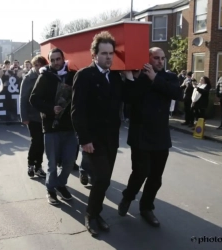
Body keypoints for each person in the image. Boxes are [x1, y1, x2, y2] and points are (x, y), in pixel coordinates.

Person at [71, 31, 134, 236]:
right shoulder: (84, 75)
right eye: (104, 53)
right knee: (102, 179)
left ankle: (96, 213)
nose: (108, 57)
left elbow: (130, 100)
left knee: (102, 180)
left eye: (111, 53)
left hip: (111, 139)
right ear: (94, 54)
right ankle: (90, 215)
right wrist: (85, 139)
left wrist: (130, 79)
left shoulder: (116, 77)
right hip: (93, 139)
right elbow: (77, 111)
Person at [118, 47, 181, 227]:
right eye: (156, 58)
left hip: (161, 135)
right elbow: (128, 98)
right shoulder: (139, 78)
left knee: (156, 177)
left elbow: (178, 94)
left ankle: (146, 207)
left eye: (162, 58)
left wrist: (155, 78)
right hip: (140, 135)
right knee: (140, 172)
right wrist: (131, 78)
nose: (160, 61)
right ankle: (127, 198)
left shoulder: (169, 77)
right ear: (147, 59)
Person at [30, 48, 78, 205]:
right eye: (53, 60)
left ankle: (60, 184)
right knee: (52, 163)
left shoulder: (72, 75)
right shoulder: (45, 77)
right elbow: (34, 99)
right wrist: (51, 108)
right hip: (51, 127)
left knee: (69, 162)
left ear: (64, 59)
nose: (56, 62)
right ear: (49, 61)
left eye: (59, 59)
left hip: (70, 127)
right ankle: (51, 189)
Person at [20, 55, 48, 178]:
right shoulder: (28, 78)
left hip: (44, 115)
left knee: (42, 142)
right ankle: (31, 164)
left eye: (40, 65)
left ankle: (38, 166)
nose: (38, 67)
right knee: (35, 141)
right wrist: (24, 117)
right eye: (36, 65)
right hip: (32, 116)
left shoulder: (46, 76)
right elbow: (23, 99)